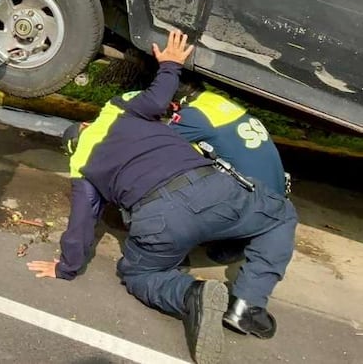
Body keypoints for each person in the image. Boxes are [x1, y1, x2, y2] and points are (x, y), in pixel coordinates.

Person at [27, 30, 297, 364]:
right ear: (84, 124)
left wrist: (65, 267)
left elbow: (81, 224)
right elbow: (158, 99)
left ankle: (191, 294)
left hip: (160, 218)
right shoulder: (116, 109)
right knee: (281, 215)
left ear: (72, 146)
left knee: (139, 275)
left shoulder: (80, 165)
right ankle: (248, 303)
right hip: (214, 189)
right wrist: (170, 65)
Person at [168, 78, 290, 264]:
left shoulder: (195, 116)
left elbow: (156, 145)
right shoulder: (220, 104)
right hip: (273, 204)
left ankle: (170, 256)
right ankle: (232, 243)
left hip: (247, 207)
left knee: (167, 167)